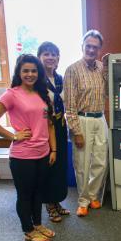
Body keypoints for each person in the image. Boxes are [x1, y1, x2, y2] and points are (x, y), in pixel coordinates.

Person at [0, 54, 57, 241]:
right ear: (19, 72)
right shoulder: (12, 94)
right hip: (22, 156)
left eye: (33, 70)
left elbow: (49, 125)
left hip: (42, 152)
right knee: (25, 195)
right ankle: (28, 230)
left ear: (38, 73)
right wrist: (13, 136)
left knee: (38, 192)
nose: (30, 74)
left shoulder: (41, 93)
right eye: (26, 70)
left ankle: (38, 224)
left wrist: (53, 150)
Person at [64, 30, 108, 217]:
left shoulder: (101, 68)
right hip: (82, 119)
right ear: (82, 46)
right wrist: (76, 131)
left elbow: (109, 92)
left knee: (100, 161)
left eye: (95, 47)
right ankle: (82, 201)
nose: (91, 49)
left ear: (99, 49)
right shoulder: (72, 70)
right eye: (88, 46)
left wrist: (108, 68)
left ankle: (93, 195)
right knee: (82, 164)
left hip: (100, 119)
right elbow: (70, 105)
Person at [37, 42, 70, 223]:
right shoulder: (37, 82)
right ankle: (49, 204)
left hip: (60, 126)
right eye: (46, 54)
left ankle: (56, 201)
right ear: (40, 57)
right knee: (49, 165)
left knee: (59, 166)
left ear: (58, 59)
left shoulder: (60, 79)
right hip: (45, 128)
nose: (50, 57)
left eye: (54, 54)